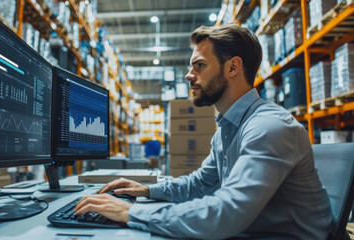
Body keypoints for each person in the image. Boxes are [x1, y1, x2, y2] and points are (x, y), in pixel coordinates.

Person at [74, 24, 335, 239]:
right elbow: (201, 184)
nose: (189, 75)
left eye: (199, 66)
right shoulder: (226, 129)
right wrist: (147, 190)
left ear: (233, 67)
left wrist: (131, 213)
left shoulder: (268, 126)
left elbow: (228, 212)